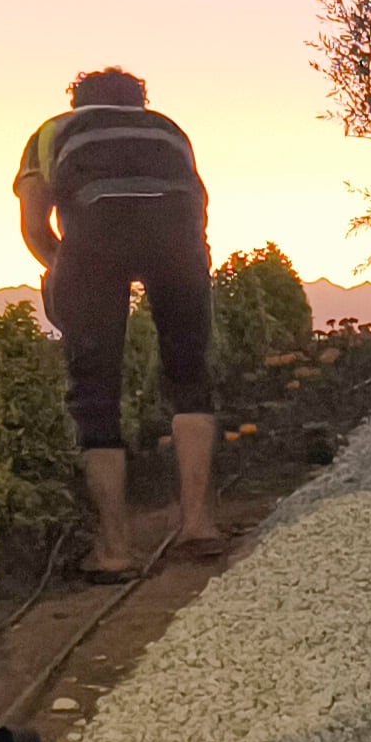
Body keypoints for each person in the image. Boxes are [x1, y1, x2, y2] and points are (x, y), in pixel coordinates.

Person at [16, 67, 219, 576]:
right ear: (140, 101)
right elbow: (197, 205)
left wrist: (62, 267)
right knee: (190, 378)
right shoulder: (169, 131)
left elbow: (35, 222)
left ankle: (114, 550)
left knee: (95, 391)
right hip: (179, 244)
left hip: (94, 243)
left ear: (77, 101)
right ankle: (198, 525)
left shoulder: (52, 132)